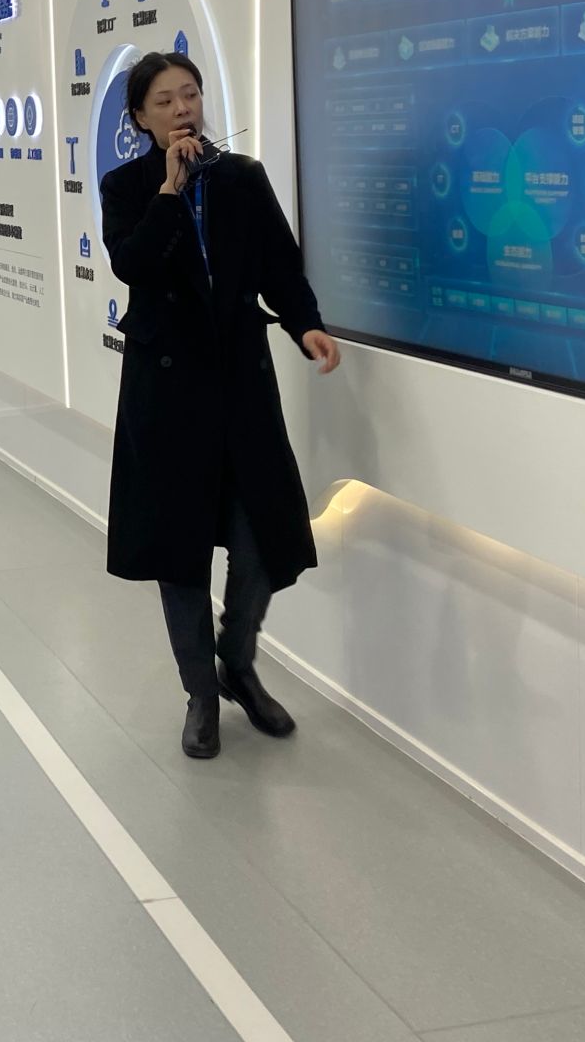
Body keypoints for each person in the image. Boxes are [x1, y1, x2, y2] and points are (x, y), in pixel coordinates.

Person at [99, 53, 342, 761]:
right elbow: (134, 265)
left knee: (262, 536)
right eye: (165, 101)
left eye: (191, 95)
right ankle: (201, 695)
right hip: (167, 394)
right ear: (140, 117)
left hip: (239, 384)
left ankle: (236, 661)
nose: (183, 109)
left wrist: (305, 324)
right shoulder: (127, 186)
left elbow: (279, 267)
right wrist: (170, 193)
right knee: (178, 553)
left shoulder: (242, 178)